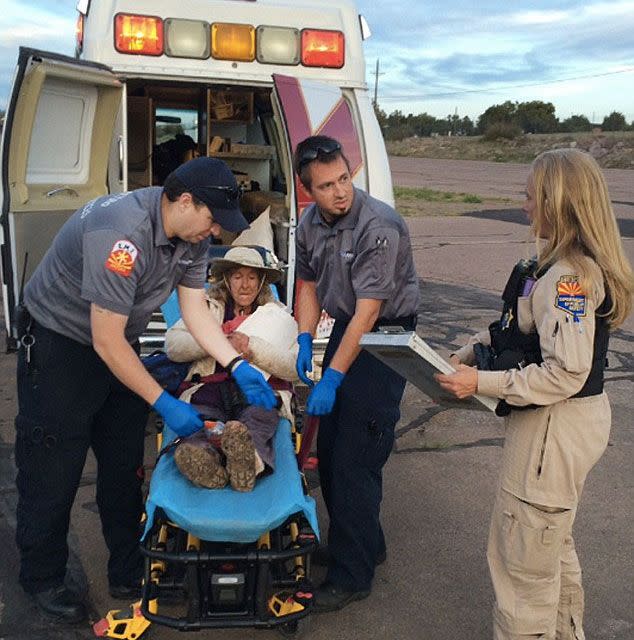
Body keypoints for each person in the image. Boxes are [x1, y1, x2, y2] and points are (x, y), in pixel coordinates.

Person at [14, 157, 277, 623]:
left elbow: (195, 312)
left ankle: (126, 567)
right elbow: (104, 340)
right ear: (184, 201)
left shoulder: (190, 238)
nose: (215, 233)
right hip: (61, 345)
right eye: (212, 220)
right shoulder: (121, 233)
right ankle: (44, 576)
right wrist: (164, 402)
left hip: (118, 340)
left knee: (123, 462)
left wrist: (237, 364)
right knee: (54, 463)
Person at [436, 149, 633, 640]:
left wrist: (479, 383)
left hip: (556, 425)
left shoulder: (567, 277)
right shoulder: (551, 266)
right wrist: (467, 354)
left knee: (523, 564)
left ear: (556, 201)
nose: (524, 207)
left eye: (529, 196)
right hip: (562, 425)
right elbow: (517, 332)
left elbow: (566, 372)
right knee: (551, 544)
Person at [292, 135, 420, 612]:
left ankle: (352, 576)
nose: (340, 192)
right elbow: (307, 283)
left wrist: (332, 378)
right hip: (348, 329)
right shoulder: (309, 223)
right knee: (330, 454)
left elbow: (369, 314)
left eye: (344, 179)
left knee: (355, 456)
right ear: (309, 191)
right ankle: (364, 542)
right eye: (326, 185)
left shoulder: (378, 225)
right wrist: (305, 336)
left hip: (386, 337)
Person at [164, 246, 299, 491]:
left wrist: (251, 347)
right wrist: (214, 340)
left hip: (258, 390)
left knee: (254, 423)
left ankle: (250, 463)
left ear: (261, 282)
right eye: (238, 276)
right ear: (227, 279)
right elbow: (173, 346)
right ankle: (207, 463)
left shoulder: (277, 317)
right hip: (211, 387)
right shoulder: (206, 308)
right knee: (202, 422)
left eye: (251, 277)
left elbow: (293, 368)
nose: (244, 285)